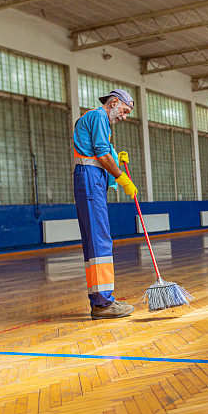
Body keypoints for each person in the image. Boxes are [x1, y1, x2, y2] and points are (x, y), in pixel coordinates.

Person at [73, 89, 139, 319]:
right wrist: (122, 178)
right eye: (124, 110)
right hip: (90, 179)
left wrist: (115, 155)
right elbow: (100, 154)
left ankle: (101, 300)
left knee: (97, 240)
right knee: (99, 241)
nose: (124, 116)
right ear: (113, 102)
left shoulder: (98, 120)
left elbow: (101, 150)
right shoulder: (99, 117)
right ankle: (102, 304)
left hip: (93, 179)